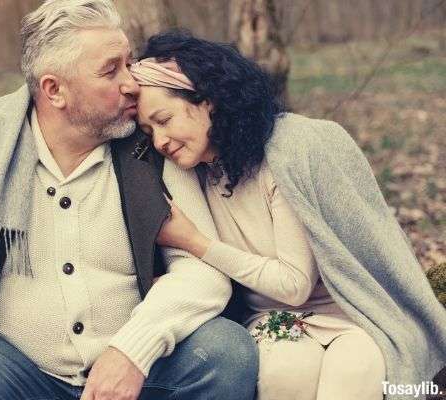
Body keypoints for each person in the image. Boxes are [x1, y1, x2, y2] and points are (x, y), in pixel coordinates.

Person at [0, 3, 259, 400]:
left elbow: (202, 273)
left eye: (128, 63)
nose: (132, 83)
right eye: (110, 70)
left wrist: (132, 350)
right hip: (19, 373)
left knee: (227, 353)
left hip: (137, 375)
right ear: (54, 90)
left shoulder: (153, 145)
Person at [130, 31, 446, 400]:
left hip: (352, 312)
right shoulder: (187, 172)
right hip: (272, 320)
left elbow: (295, 284)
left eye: (164, 119)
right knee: (283, 376)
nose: (159, 141)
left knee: (355, 374)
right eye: (149, 131)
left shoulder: (286, 152)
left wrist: (194, 242)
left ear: (208, 101)